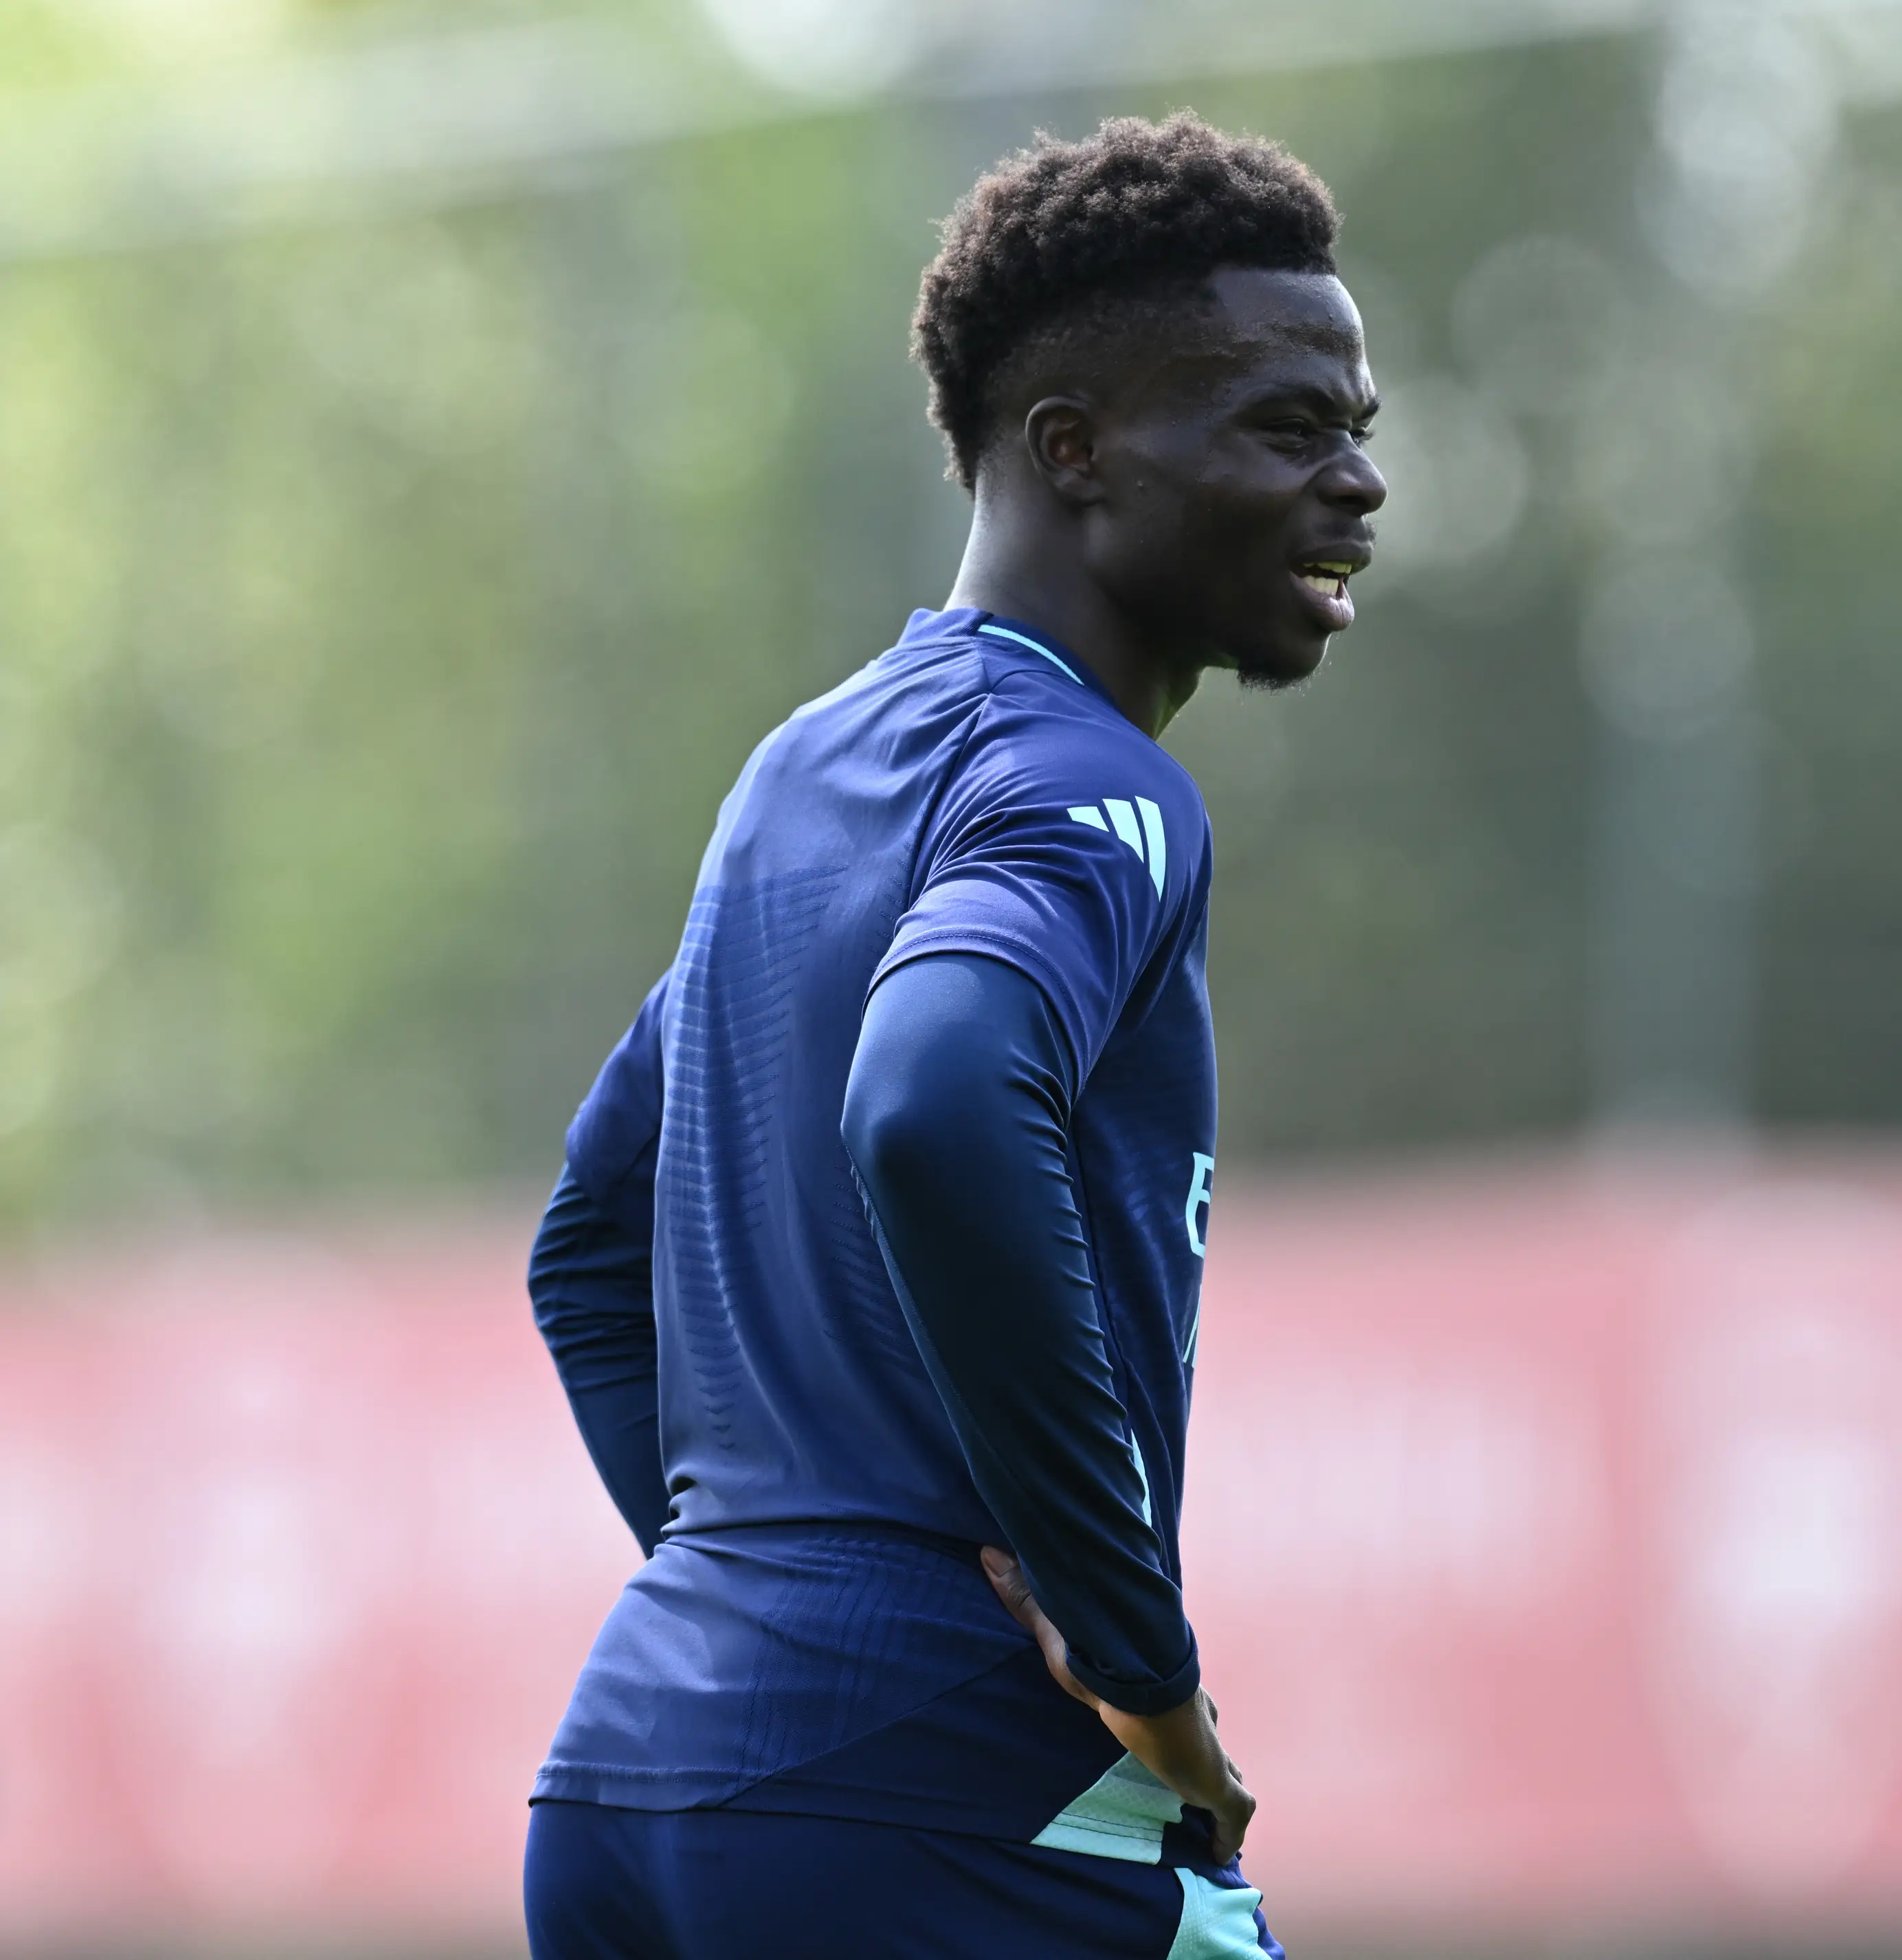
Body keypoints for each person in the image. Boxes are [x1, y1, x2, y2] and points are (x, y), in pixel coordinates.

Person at [518, 112, 1382, 1959]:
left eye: (1357, 431)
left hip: (638, 1770)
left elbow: (589, 1249)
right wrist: (1130, 1650)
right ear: (1075, 453)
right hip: (947, 1791)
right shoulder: (1091, 787)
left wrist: (752, 1589)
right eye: (1288, 427)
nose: (1358, 482)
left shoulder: (801, 780)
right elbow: (933, 1099)